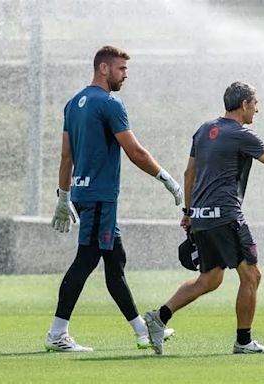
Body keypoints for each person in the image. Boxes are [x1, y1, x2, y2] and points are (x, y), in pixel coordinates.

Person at [145, 81, 264, 355]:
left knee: (209, 279)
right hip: (226, 215)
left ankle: (159, 317)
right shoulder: (242, 134)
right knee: (252, 275)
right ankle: (243, 342)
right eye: (255, 103)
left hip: (202, 216)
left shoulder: (204, 129)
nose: (257, 109)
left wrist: (188, 212)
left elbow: (189, 174)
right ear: (244, 104)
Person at [44, 46, 182, 352]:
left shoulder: (72, 104)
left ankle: (143, 332)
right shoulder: (109, 104)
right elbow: (136, 153)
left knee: (114, 261)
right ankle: (57, 334)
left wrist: (64, 197)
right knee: (86, 260)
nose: (125, 76)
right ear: (103, 69)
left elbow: (66, 157)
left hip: (86, 195)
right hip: (99, 198)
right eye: (121, 69)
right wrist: (168, 180)